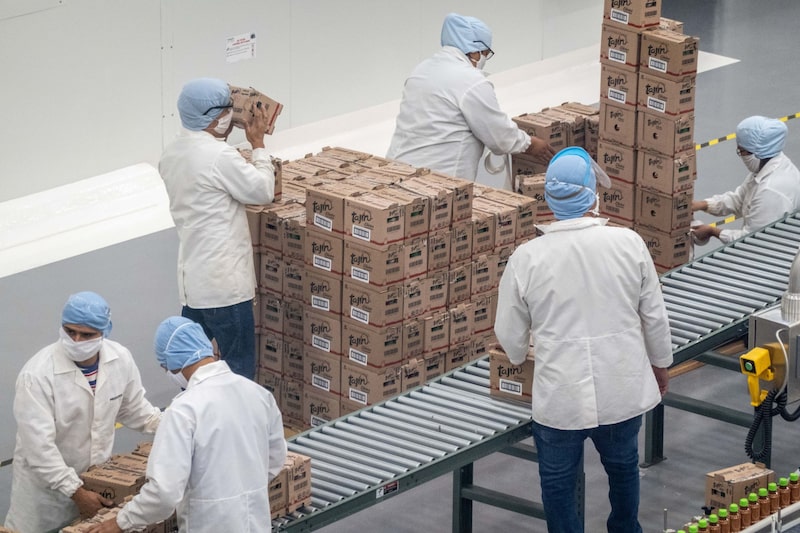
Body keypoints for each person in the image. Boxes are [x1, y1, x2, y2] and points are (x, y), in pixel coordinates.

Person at [494, 147, 673, 533]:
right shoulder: (628, 243)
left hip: (561, 397)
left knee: (558, 483)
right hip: (621, 387)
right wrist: (660, 365)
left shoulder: (527, 258)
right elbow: (655, 316)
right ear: (594, 195)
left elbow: (508, 333)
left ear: (549, 200)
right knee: (623, 468)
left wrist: (517, 355)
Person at [87, 316, 287, 533]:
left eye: (164, 367)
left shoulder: (184, 410)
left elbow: (164, 493)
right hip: (256, 524)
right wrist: (240, 488)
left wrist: (121, 522)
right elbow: (276, 459)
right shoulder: (259, 395)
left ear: (171, 364)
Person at [4, 291, 162, 533]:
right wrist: (75, 491)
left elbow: (137, 411)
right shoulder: (36, 375)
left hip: (95, 487)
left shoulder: (120, 359)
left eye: (87, 335)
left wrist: (177, 426)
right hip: (45, 498)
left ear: (104, 332)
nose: (76, 340)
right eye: (70, 331)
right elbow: (39, 448)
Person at [159, 77, 276, 380]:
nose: (231, 115)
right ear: (213, 117)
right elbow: (262, 190)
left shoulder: (171, 154)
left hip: (194, 285)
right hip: (225, 289)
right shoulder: (218, 156)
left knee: (190, 365)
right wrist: (258, 145)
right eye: (228, 109)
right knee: (239, 374)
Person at [386, 12, 555, 182]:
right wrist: (532, 145)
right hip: (437, 182)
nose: (484, 59)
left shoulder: (422, 70)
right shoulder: (471, 81)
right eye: (485, 53)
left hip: (396, 172)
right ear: (474, 50)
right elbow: (500, 136)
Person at [692, 115, 800, 244]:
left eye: (742, 151)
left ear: (757, 152)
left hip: (775, 250)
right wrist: (702, 205)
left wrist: (713, 231)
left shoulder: (770, 191)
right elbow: (739, 200)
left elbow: (753, 240)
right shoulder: (770, 163)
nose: (741, 155)